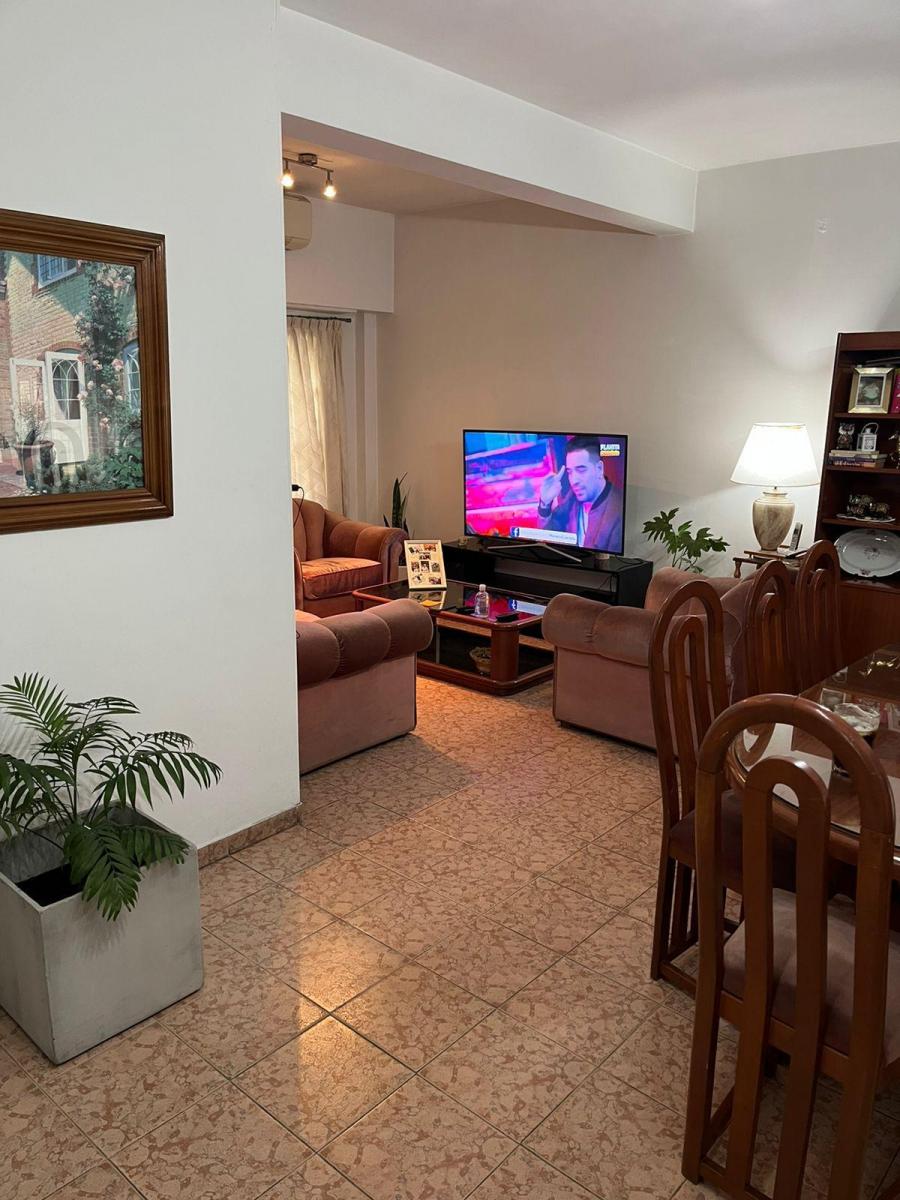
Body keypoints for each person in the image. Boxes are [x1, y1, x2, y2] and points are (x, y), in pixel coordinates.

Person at [537, 436, 623, 551]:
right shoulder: (572, 497)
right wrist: (545, 504)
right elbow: (547, 538)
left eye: (581, 470)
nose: (574, 480)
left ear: (599, 468)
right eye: (570, 472)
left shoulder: (618, 512)